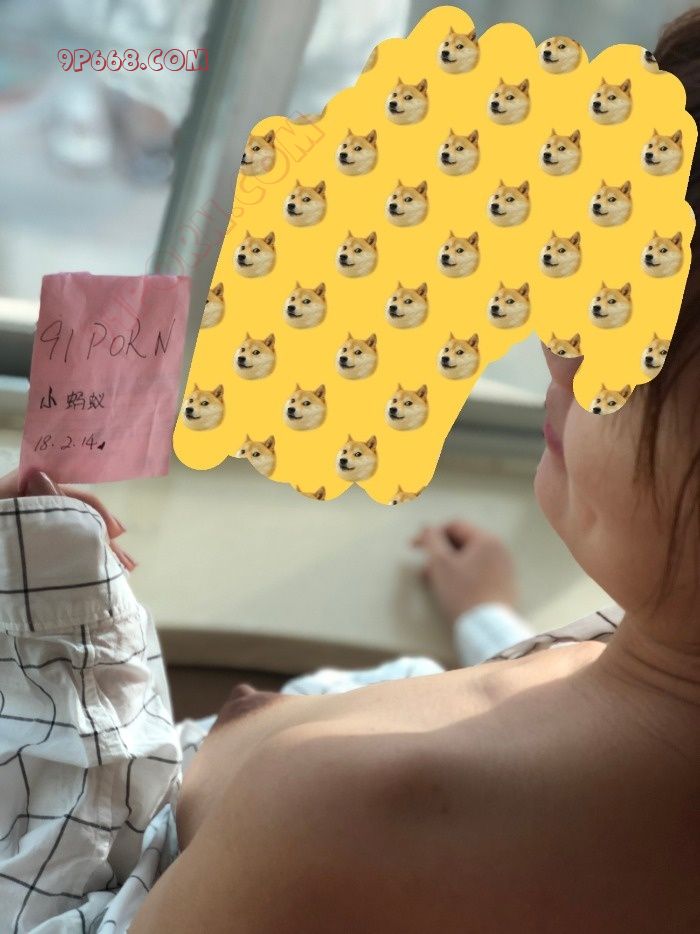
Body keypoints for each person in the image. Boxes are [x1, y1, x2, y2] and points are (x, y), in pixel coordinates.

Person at [1, 11, 698, 933]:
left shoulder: (342, 818)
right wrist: (490, 617)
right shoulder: (630, 645)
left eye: (635, 339)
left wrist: (53, 645)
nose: (562, 347)